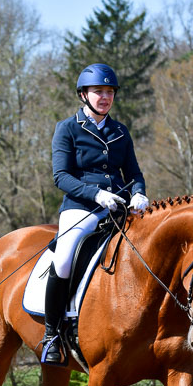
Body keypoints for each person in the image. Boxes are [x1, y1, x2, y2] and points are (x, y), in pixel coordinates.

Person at [42, 62, 149, 364]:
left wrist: (139, 192)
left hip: (119, 208)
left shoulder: (120, 131)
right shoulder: (67, 128)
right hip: (82, 207)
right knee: (64, 258)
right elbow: (61, 177)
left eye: (109, 92)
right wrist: (96, 194)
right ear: (83, 95)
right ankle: (52, 335)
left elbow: (133, 172)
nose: (105, 97)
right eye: (98, 91)